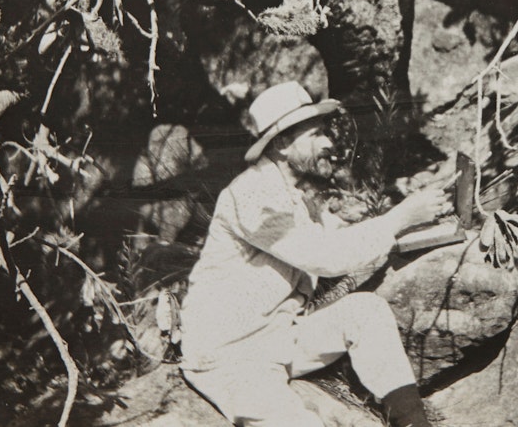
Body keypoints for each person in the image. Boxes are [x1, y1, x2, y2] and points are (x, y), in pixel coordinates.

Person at [179, 81, 450, 427]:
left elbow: (342, 237)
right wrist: (400, 218)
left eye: (326, 133)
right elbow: (328, 257)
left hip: (279, 340)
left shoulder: (289, 193)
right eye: (316, 134)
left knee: (365, 312)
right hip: (230, 357)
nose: (329, 143)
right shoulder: (250, 194)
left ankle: (414, 423)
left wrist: (415, 221)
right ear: (280, 145)